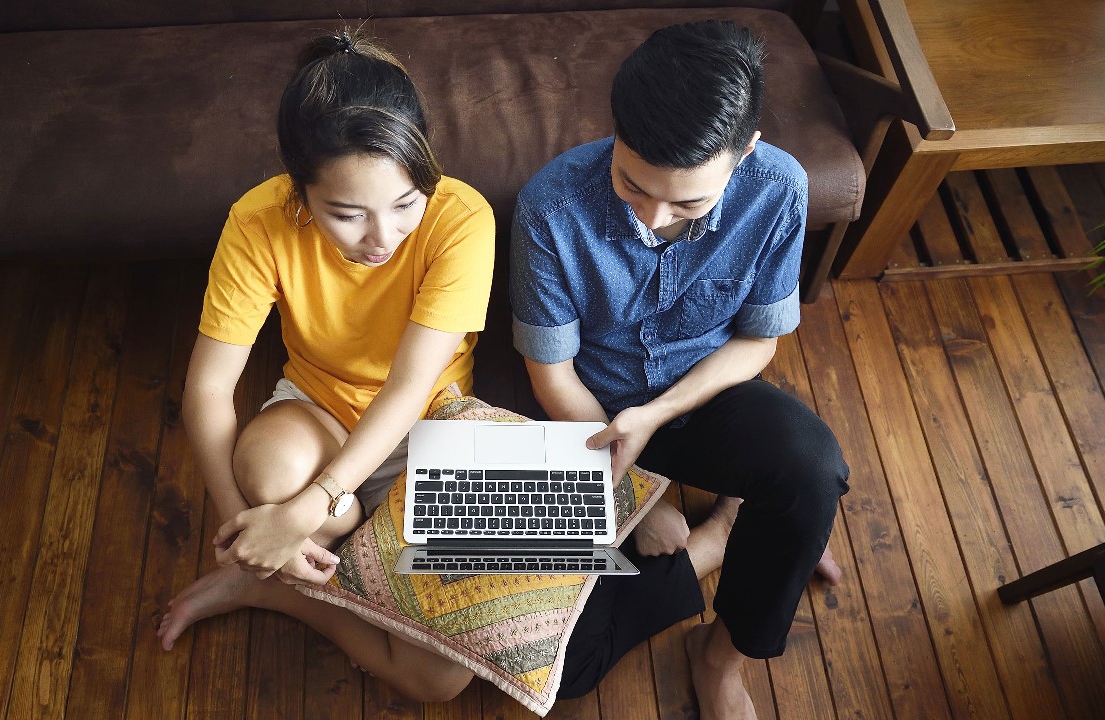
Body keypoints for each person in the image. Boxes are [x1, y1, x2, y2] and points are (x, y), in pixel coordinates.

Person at [509, 21, 850, 719]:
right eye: (632, 185)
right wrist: (643, 492)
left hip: (705, 395)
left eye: (688, 203)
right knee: (560, 666)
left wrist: (659, 417)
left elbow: (757, 344)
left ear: (745, 152)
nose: (653, 218)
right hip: (589, 420)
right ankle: (726, 531)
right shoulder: (550, 206)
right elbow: (552, 377)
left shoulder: (779, 186)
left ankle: (722, 658)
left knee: (812, 470)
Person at [157, 31, 498, 699]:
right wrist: (241, 535)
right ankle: (284, 565)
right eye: (347, 215)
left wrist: (309, 506)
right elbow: (207, 387)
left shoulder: (463, 218)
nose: (381, 239)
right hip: (318, 409)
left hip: (433, 426)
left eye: (405, 204)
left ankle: (289, 591)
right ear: (300, 191)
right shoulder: (259, 222)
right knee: (272, 476)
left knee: (438, 681)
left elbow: (408, 387)